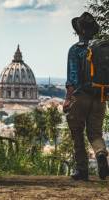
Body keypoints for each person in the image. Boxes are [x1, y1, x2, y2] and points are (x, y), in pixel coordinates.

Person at [63, 12, 109, 181]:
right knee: (95, 133)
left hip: (81, 96)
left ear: (79, 30)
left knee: (77, 132)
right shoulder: (102, 49)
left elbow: (72, 79)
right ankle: (101, 153)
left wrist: (68, 99)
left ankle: (82, 170)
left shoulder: (76, 50)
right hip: (100, 96)